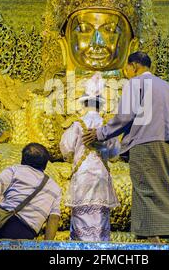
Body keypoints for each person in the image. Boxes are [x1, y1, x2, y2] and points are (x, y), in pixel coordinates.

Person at [83, 51, 169, 243]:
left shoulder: (135, 83)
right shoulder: (168, 87)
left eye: (127, 68)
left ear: (134, 66)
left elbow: (125, 116)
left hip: (144, 142)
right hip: (167, 143)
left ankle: (151, 237)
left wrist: (100, 133)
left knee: (144, 188)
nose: (126, 72)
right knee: (167, 187)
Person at [60, 73, 120, 241]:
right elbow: (115, 151)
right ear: (100, 106)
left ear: (84, 103)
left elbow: (67, 148)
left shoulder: (77, 125)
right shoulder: (107, 127)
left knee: (81, 213)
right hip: (100, 173)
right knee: (100, 215)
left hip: (82, 172)